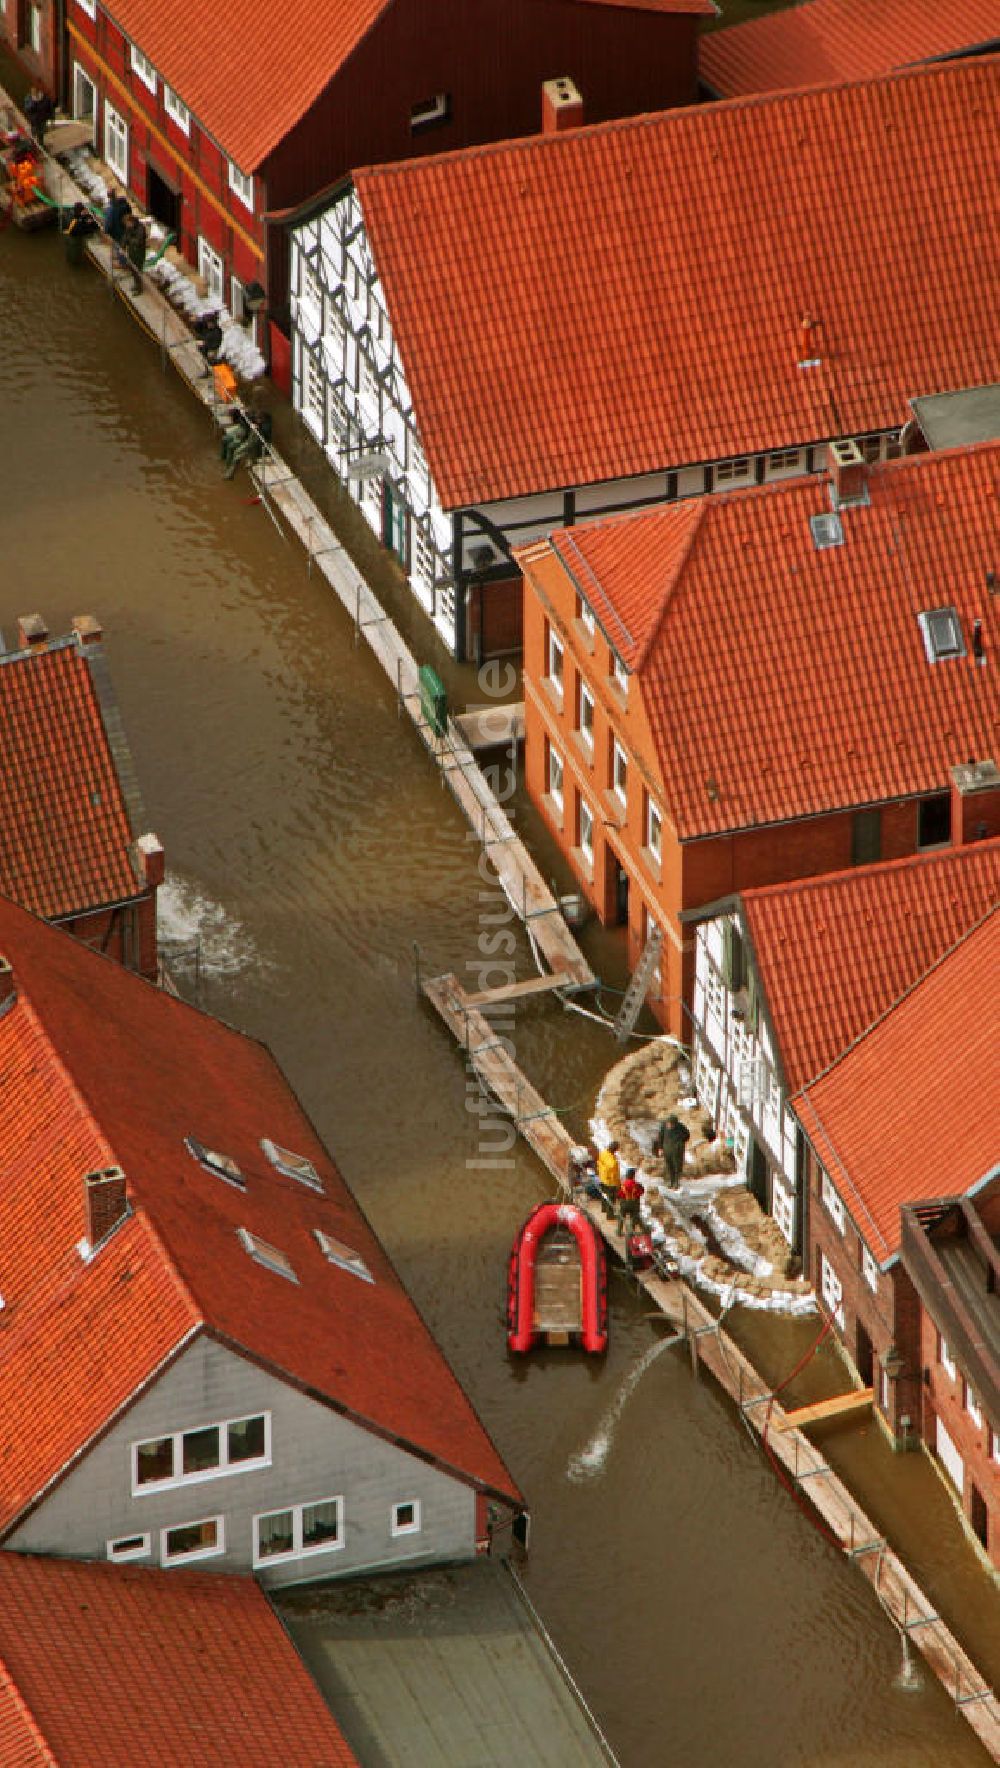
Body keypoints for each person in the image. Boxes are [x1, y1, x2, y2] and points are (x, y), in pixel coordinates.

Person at [654, 1113, 690, 1187]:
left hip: (677, 1151)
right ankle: (671, 1181)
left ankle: (676, 1181)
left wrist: (680, 1142)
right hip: (667, 1150)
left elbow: (687, 1135)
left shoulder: (681, 1127)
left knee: (677, 1166)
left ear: (675, 1123)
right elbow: (660, 1137)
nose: (669, 1125)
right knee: (669, 1166)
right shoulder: (664, 1126)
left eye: (671, 1124)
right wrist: (660, 1148)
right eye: (668, 1124)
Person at [64, 200, 98, 266]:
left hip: (71, 237)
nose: (85, 211)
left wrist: (89, 220)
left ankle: (71, 261)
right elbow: (82, 230)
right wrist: (89, 224)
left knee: (72, 250)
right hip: (74, 238)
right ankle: (74, 264)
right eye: (83, 210)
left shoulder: (74, 215)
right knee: (75, 252)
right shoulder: (75, 220)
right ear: (80, 211)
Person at [121, 209, 147, 293]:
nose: (127, 225)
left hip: (139, 252)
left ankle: (139, 288)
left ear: (131, 221)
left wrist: (129, 240)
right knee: (132, 268)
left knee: (137, 269)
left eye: (128, 224)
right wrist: (123, 246)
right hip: (132, 251)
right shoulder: (129, 228)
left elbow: (139, 241)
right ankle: (136, 284)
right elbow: (125, 236)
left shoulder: (141, 228)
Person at [596, 1141, 621, 1220]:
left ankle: (603, 1209)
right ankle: (610, 1215)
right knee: (611, 1199)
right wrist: (617, 1184)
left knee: (604, 1195)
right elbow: (614, 1175)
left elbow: (599, 1163)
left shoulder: (603, 1153)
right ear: (615, 1150)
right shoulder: (613, 1162)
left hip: (602, 1177)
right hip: (610, 1182)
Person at [195, 310, 223, 375]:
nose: (209, 325)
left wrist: (205, 344)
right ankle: (207, 371)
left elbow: (216, 344)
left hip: (213, 350)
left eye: (210, 323)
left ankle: (218, 372)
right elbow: (197, 327)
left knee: (211, 357)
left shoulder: (217, 332)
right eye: (208, 323)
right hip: (205, 349)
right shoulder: (207, 329)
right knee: (204, 360)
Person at [618, 1171, 644, 1237]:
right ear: (633, 1176)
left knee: (621, 1217)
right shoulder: (637, 1185)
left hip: (624, 1203)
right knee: (633, 1218)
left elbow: (619, 1194)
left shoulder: (623, 1184)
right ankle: (631, 1232)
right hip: (634, 1204)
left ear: (627, 1176)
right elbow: (641, 1192)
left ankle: (619, 1231)